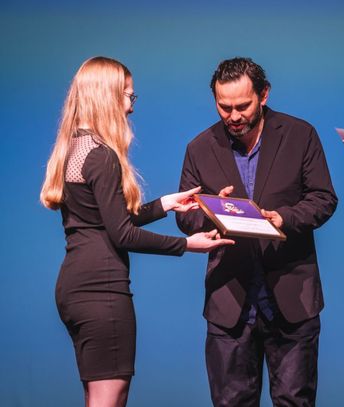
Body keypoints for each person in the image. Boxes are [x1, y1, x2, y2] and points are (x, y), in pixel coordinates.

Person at [40, 56, 234, 407]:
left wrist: (166, 204)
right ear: (107, 96)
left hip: (74, 288)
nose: (131, 106)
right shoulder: (102, 156)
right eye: (129, 95)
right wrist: (187, 244)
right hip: (103, 292)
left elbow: (104, 221)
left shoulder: (73, 149)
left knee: (95, 397)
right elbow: (122, 235)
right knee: (108, 400)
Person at [176, 57, 337, 406]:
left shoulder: (300, 135)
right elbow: (186, 218)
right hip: (229, 303)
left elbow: (324, 199)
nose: (234, 116)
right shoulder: (199, 148)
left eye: (243, 106)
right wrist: (212, 213)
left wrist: (284, 218)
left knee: (295, 401)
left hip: (292, 298)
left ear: (264, 95)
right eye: (224, 107)